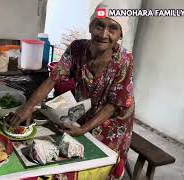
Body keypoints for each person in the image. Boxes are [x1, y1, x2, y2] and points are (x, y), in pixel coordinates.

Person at [9, 2, 134, 179]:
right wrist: (28, 106)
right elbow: (54, 78)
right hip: (84, 111)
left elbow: (113, 105)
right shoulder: (77, 48)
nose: (104, 33)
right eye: (99, 24)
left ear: (120, 34)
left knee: (98, 163)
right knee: (69, 154)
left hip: (112, 122)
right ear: (90, 26)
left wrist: (84, 129)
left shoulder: (124, 60)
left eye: (112, 28)